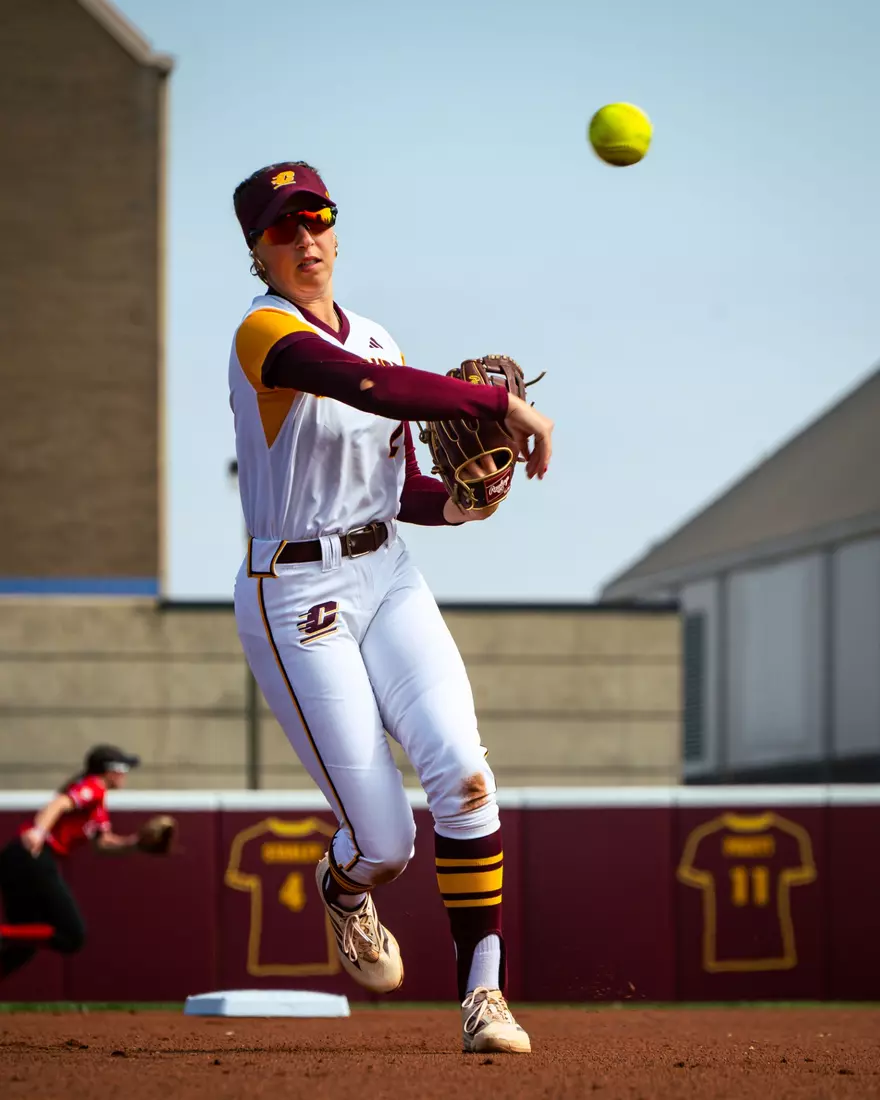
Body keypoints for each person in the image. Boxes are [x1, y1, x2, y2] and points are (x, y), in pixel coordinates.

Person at [229, 161, 554, 1054]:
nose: (305, 240)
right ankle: (345, 889)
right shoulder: (263, 334)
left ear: (337, 229)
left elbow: (397, 484)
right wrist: (496, 402)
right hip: (295, 593)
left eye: (317, 219)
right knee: (385, 842)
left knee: (464, 772)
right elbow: (360, 389)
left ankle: (483, 998)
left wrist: (457, 502)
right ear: (257, 251)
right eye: (283, 229)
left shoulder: (377, 335)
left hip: (389, 575)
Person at [0, 745, 143, 980]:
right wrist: (39, 831)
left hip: (21, 858)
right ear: (111, 771)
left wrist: (135, 843)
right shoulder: (94, 786)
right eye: (123, 769)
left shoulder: (98, 803)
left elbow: (103, 843)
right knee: (71, 934)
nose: (125, 775)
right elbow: (59, 804)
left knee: (23, 945)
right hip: (32, 856)